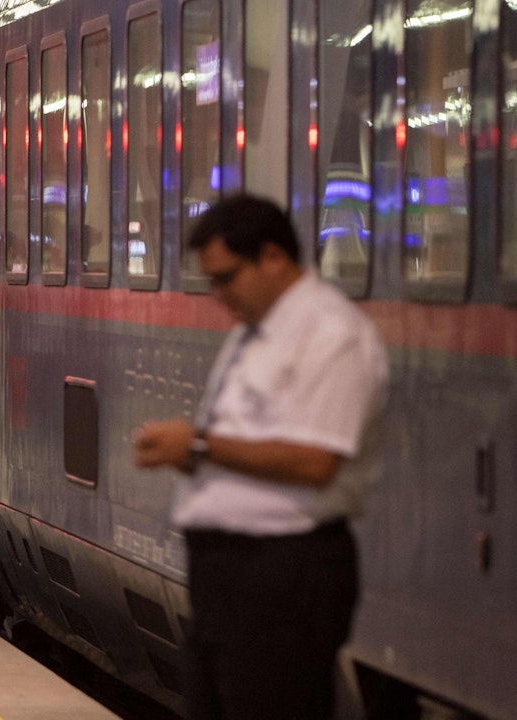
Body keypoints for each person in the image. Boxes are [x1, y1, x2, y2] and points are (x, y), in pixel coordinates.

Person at [133, 194, 388, 719]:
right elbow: (248, 442)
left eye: (227, 278)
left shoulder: (332, 335)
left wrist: (200, 445)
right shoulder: (255, 334)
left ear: (272, 257)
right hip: (230, 579)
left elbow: (316, 462)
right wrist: (190, 456)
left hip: (284, 577)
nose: (219, 295)